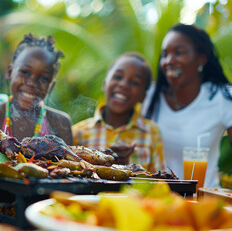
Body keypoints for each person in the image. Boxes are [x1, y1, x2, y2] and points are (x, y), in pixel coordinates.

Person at [143, 24, 232, 187]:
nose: (168, 61)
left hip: (203, 204)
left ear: (201, 59)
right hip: (157, 201)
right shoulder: (149, 97)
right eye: (164, 55)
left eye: (179, 52)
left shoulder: (221, 97)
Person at [73, 52, 165, 172]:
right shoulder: (78, 133)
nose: (123, 85)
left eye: (135, 82)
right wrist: (102, 160)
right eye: (118, 77)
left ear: (143, 96)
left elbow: (161, 182)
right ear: (104, 83)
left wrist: (129, 167)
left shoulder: (151, 133)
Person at [0, 33, 73, 145]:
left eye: (43, 78)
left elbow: (68, 161)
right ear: (9, 72)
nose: (32, 83)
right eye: (25, 72)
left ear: (51, 86)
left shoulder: (60, 123)